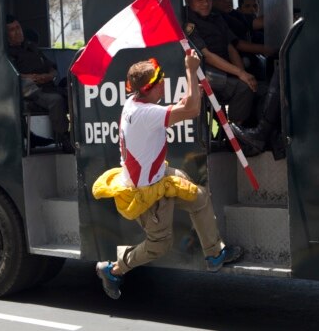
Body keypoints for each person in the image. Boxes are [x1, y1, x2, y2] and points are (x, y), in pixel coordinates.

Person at [93, 52, 243, 300]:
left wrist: (183, 104)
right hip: (148, 194)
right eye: (160, 79)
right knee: (159, 245)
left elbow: (179, 109)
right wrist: (191, 69)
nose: (164, 82)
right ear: (149, 87)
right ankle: (113, 269)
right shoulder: (146, 114)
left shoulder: (135, 104)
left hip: (159, 177)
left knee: (200, 197)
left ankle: (214, 254)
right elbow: (193, 109)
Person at [182, 0, 257, 130]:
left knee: (256, 87)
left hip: (224, 69)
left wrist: (243, 73)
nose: (205, 3)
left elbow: (230, 47)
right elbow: (206, 55)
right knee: (243, 88)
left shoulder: (216, 17)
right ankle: (236, 134)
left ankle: (240, 130)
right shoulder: (188, 21)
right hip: (204, 72)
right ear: (188, 1)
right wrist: (240, 74)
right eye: (200, 0)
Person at [6, 15, 73, 153]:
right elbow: (11, 75)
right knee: (56, 101)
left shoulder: (31, 47)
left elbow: (53, 69)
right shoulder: (7, 53)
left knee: (74, 94)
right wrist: (32, 77)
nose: (18, 32)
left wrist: (48, 75)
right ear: (6, 35)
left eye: (18, 27)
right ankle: (64, 138)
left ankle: (77, 135)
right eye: (12, 30)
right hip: (32, 92)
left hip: (49, 85)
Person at [210, 0, 275, 80]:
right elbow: (237, 44)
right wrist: (268, 49)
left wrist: (282, 15)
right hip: (230, 69)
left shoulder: (234, 14)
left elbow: (254, 22)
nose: (228, 0)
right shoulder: (215, 18)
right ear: (212, 0)